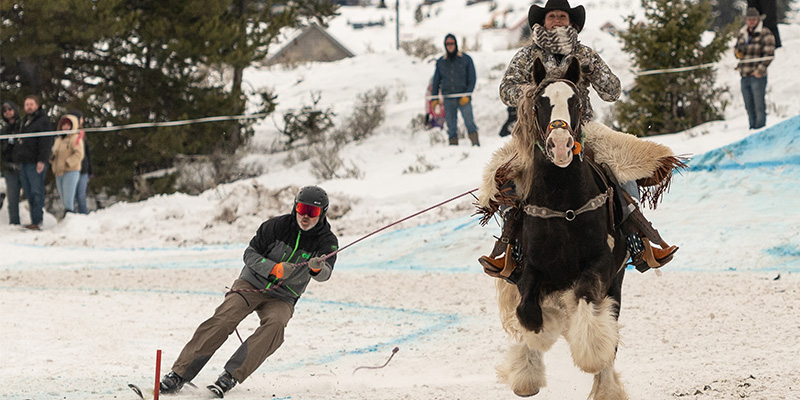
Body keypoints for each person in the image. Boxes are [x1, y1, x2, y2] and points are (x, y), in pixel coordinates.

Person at [478, 0, 678, 279]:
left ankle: (638, 242)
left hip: (583, 130)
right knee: (507, 177)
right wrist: (530, 91)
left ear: (572, 22)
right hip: (537, 134)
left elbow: (613, 91)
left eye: (562, 16)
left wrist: (593, 69)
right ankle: (511, 251)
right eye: (552, 17)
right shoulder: (527, 56)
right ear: (543, 21)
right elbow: (505, 90)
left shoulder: (585, 53)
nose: (557, 21)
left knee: (623, 171)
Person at [159, 186, 339, 398]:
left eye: (313, 212)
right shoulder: (275, 226)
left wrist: (317, 269)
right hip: (251, 283)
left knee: (276, 326)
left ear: (323, 213)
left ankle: (230, 376)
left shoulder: (327, 241)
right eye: (302, 209)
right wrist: (273, 268)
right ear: (295, 207)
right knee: (224, 319)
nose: (305, 216)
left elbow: (325, 274)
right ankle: (179, 374)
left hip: (284, 296)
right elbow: (250, 255)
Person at [431, 34, 480, 146]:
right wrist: (434, 98)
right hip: (448, 99)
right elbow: (436, 81)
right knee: (451, 126)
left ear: (456, 44)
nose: (450, 46)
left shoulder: (466, 59)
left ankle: (476, 144)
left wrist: (467, 95)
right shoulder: (441, 62)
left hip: (464, 98)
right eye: (447, 44)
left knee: (469, 122)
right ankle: (453, 147)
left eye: (452, 43)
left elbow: (472, 78)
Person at [13, 95, 53, 230]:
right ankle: (34, 221)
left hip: (35, 163)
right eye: (26, 104)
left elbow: (46, 142)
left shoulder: (42, 121)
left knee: (37, 192)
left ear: (36, 105)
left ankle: (38, 221)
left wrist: (42, 160)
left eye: (31, 104)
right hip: (24, 163)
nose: (29, 107)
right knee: (29, 192)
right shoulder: (25, 121)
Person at [734, 7, 776, 130]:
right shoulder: (742, 33)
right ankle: (752, 128)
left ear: (757, 19)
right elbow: (737, 53)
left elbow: (769, 54)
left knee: (759, 106)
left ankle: (760, 129)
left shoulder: (765, 33)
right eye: (749, 19)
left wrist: (759, 70)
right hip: (744, 75)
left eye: (753, 19)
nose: (751, 21)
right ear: (746, 20)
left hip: (757, 76)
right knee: (749, 105)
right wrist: (738, 52)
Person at [49, 114, 85, 216]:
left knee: (68, 197)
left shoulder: (75, 138)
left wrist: (68, 162)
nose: (65, 127)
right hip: (58, 172)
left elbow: (79, 154)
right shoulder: (58, 140)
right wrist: (52, 158)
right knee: (63, 197)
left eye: (68, 125)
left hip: (70, 171)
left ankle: (70, 216)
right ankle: (68, 217)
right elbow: (54, 153)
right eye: (63, 124)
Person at [1, 101, 22, 224]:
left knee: (33, 194)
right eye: (4, 110)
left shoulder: (22, 126)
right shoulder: (3, 130)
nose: (7, 112)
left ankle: (36, 222)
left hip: (24, 166)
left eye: (9, 109)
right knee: (12, 198)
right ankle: (14, 223)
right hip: (9, 168)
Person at [68, 110, 92, 214]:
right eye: (80, 118)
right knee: (71, 196)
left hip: (83, 170)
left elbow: (87, 154)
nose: (82, 120)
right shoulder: (67, 134)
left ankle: (83, 217)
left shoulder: (82, 135)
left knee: (81, 196)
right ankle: (71, 217)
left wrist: (90, 171)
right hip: (71, 169)